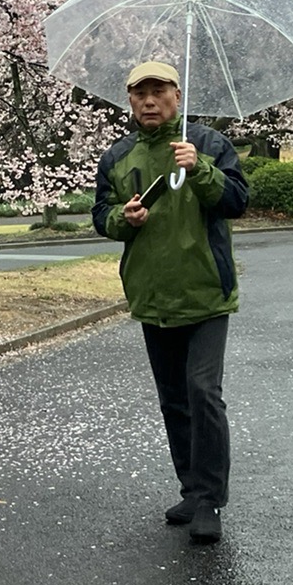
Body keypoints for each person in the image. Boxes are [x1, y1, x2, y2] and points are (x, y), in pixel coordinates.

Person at [91, 60, 250, 545]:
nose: (149, 101)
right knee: (174, 401)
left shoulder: (207, 144)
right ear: (131, 102)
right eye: (140, 94)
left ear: (177, 97)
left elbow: (237, 202)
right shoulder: (118, 156)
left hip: (205, 294)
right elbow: (101, 215)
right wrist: (125, 216)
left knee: (203, 393)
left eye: (159, 92)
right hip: (152, 295)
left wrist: (198, 169)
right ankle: (190, 488)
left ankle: (209, 500)